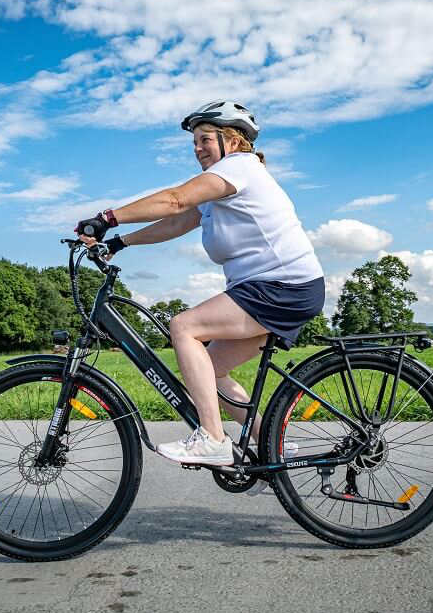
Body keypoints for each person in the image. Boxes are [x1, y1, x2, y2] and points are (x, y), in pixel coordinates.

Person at [75, 100, 325, 466]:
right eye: (195, 142)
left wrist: (107, 218)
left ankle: (212, 438)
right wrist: (120, 242)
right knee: (211, 368)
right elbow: (178, 220)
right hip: (275, 288)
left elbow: (175, 200)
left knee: (184, 326)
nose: (197, 148)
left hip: (279, 286)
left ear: (234, 142)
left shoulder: (240, 168)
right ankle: (273, 447)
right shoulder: (223, 185)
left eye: (205, 139)